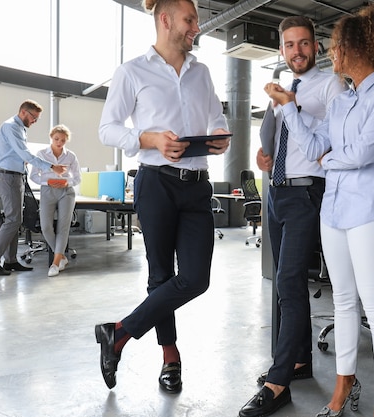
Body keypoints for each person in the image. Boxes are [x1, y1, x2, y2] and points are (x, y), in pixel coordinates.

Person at [264, 2, 374, 417]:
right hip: (333, 211)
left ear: (360, 48)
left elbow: (363, 153)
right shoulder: (342, 101)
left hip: (369, 208)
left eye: (337, 46)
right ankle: (343, 385)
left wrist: (329, 158)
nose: (332, 53)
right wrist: (287, 107)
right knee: (344, 303)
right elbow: (314, 147)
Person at [95, 0, 230, 393]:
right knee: (160, 275)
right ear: (165, 19)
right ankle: (170, 358)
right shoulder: (132, 71)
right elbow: (108, 128)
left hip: (196, 184)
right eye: (190, 20)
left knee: (195, 278)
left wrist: (219, 136)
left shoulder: (201, 73)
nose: (196, 28)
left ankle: (118, 333)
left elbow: (216, 119)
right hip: (155, 182)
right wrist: (148, 138)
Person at [238, 16, 347, 417]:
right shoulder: (282, 91)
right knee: (286, 282)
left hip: (306, 192)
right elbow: (274, 137)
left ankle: (278, 380)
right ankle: (300, 360)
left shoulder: (331, 86)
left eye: (304, 43)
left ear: (315, 46)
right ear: (281, 50)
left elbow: (332, 140)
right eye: (289, 45)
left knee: (286, 279)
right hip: (276, 191)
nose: (297, 50)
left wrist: (292, 105)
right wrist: (263, 157)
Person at [0, 100, 67, 276]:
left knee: (15, 220)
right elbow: (25, 154)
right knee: (13, 220)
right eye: (34, 117)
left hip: (16, 177)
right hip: (8, 177)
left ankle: (11, 261)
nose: (35, 121)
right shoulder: (11, 127)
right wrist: (51, 167)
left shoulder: (20, 128)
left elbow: (22, 157)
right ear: (23, 112)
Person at [29, 124, 81, 277]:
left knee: (63, 227)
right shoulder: (41, 154)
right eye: (57, 139)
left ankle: (56, 262)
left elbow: (77, 178)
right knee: (46, 227)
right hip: (47, 191)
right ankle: (62, 256)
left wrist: (67, 182)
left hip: (66, 192)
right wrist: (48, 182)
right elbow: (33, 176)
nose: (59, 142)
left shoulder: (70, 156)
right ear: (51, 137)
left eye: (63, 140)